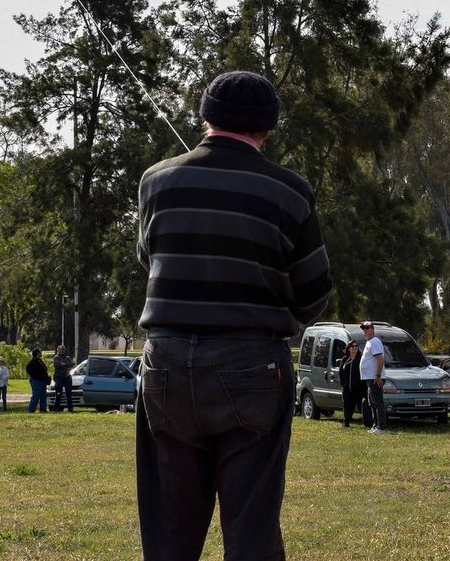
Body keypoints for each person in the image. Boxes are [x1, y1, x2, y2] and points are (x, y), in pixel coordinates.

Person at [135, 70, 333, 561]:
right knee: (251, 528)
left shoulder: (155, 181)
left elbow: (148, 257)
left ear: (205, 117)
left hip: (165, 365)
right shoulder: (290, 190)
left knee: (169, 530)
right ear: (267, 129)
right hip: (252, 365)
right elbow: (313, 296)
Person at [360, 321, 388, 434]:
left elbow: (380, 359)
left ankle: (381, 427)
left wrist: (378, 375)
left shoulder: (375, 341)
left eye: (367, 328)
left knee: (378, 403)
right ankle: (376, 425)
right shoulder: (369, 342)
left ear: (372, 329)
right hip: (370, 378)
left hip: (375, 378)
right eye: (363, 329)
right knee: (372, 403)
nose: (365, 330)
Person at [339, 340, 372, 430]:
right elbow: (341, 372)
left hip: (360, 388)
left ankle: (370, 424)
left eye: (356, 346)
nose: (355, 348)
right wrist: (343, 383)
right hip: (347, 388)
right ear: (349, 348)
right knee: (347, 406)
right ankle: (346, 423)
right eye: (353, 346)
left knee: (364, 406)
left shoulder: (361, 359)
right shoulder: (345, 359)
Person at [51, 345, 75, 413]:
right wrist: (66, 365)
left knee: (69, 394)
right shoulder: (56, 357)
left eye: (63, 349)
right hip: (59, 378)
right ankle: (56, 409)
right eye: (60, 349)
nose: (62, 351)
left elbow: (72, 364)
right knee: (58, 394)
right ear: (57, 350)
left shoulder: (68, 358)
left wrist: (64, 364)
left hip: (67, 377)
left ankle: (70, 409)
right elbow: (57, 365)